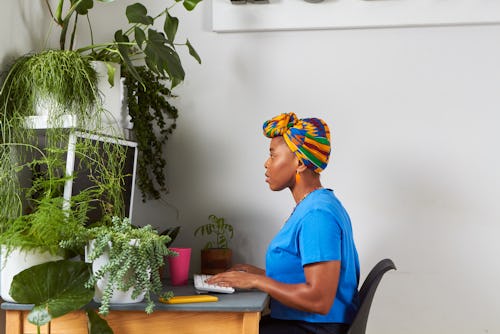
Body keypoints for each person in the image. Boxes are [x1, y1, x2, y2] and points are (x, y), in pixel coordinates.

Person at [207, 112, 360, 334]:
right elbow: (304, 277)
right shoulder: (314, 205)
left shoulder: (317, 215)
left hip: (313, 329)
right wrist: (259, 275)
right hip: (304, 324)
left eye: (273, 155)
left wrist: (256, 282)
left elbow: (319, 300)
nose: (266, 164)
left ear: (299, 162)